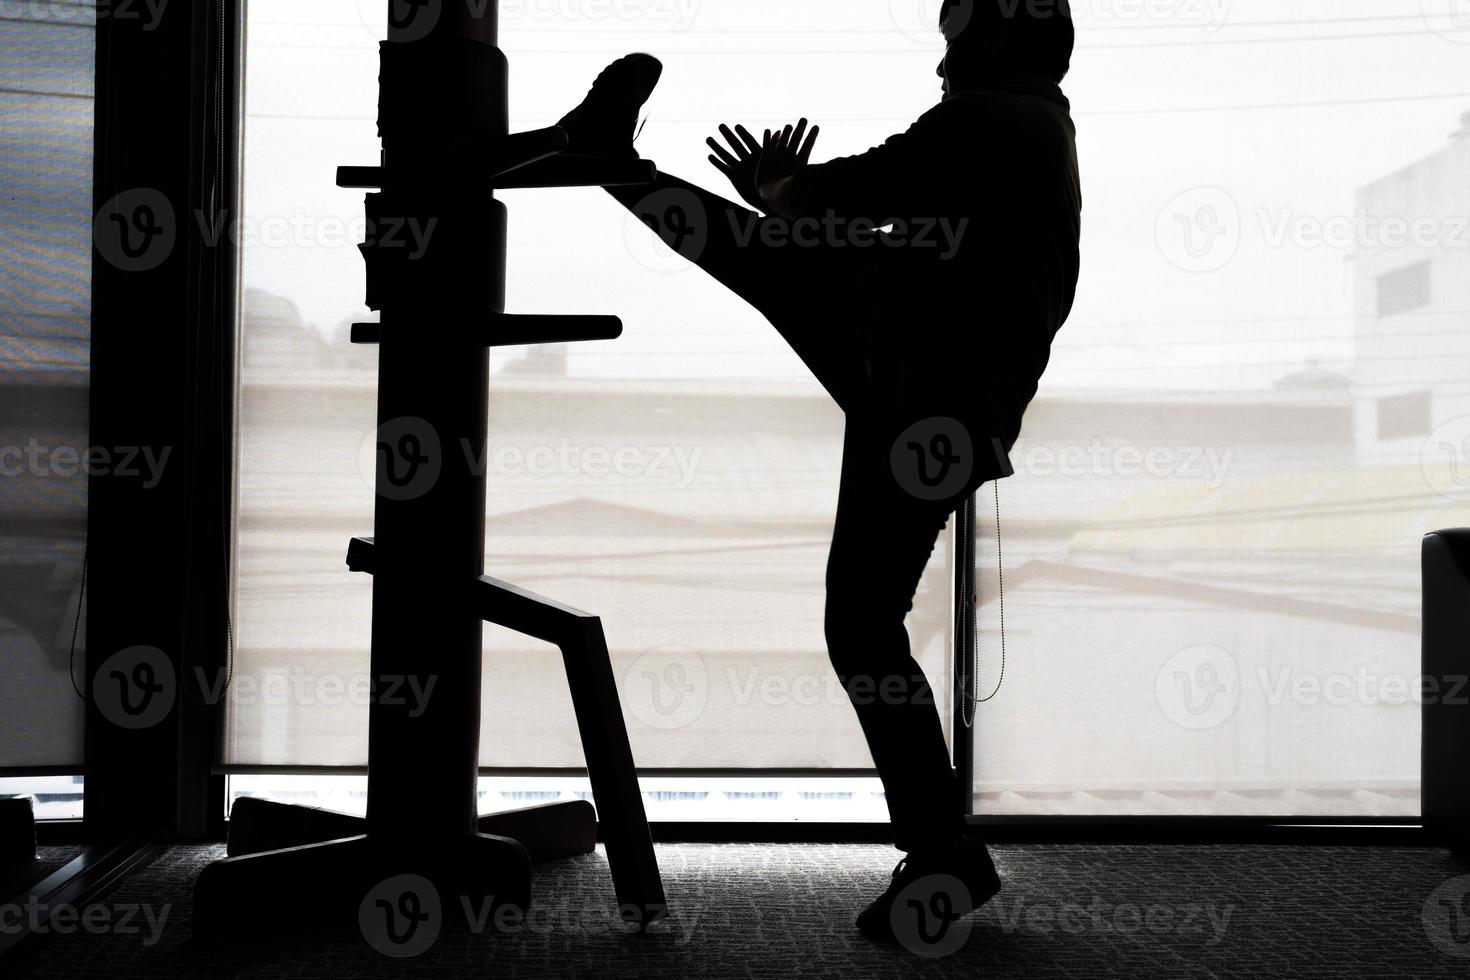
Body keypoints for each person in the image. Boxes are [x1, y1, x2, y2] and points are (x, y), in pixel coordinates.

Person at [556, 0, 1081, 943]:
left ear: (1003, 38)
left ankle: (943, 852)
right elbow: (868, 204)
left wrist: (796, 194)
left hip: (922, 379)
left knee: (862, 627)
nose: (941, 62)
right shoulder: (1032, 128)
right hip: (926, 374)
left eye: (955, 37)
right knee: (864, 624)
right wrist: (796, 197)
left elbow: (863, 191)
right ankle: (941, 852)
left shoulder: (992, 118)